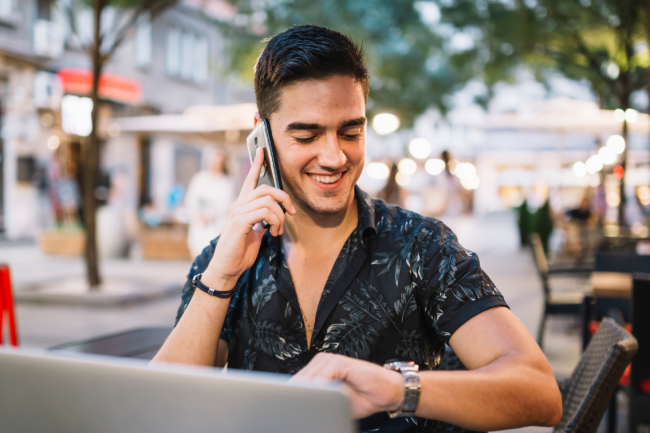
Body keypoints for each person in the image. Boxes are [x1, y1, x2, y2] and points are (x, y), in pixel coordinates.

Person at [153, 25, 562, 432]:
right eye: (307, 135)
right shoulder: (224, 259)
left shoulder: (422, 247)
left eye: (351, 132)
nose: (334, 157)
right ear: (262, 135)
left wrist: (401, 388)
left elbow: (540, 393)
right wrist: (221, 276)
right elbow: (160, 407)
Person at [184, 149, 236, 257]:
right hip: (199, 228)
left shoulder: (227, 182)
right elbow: (191, 200)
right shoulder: (199, 178)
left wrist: (210, 215)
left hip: (217, 229)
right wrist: (199, 215)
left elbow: (226, 205)